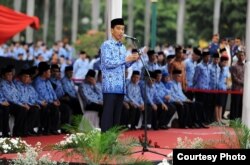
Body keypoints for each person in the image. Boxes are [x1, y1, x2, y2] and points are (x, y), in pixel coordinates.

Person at [100, 18, 139, 132]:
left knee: (117, 118)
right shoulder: (106, 45)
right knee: (108, 117)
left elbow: (124, 65)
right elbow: (107, 63)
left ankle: (113, 143)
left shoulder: (122, 47)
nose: (121, 31)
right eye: (118, 28)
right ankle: (105, 145)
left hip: (121, 88)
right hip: (110, 86)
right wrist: (125, 59)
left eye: (123, 29)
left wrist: (133, 60)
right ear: (112, 30)